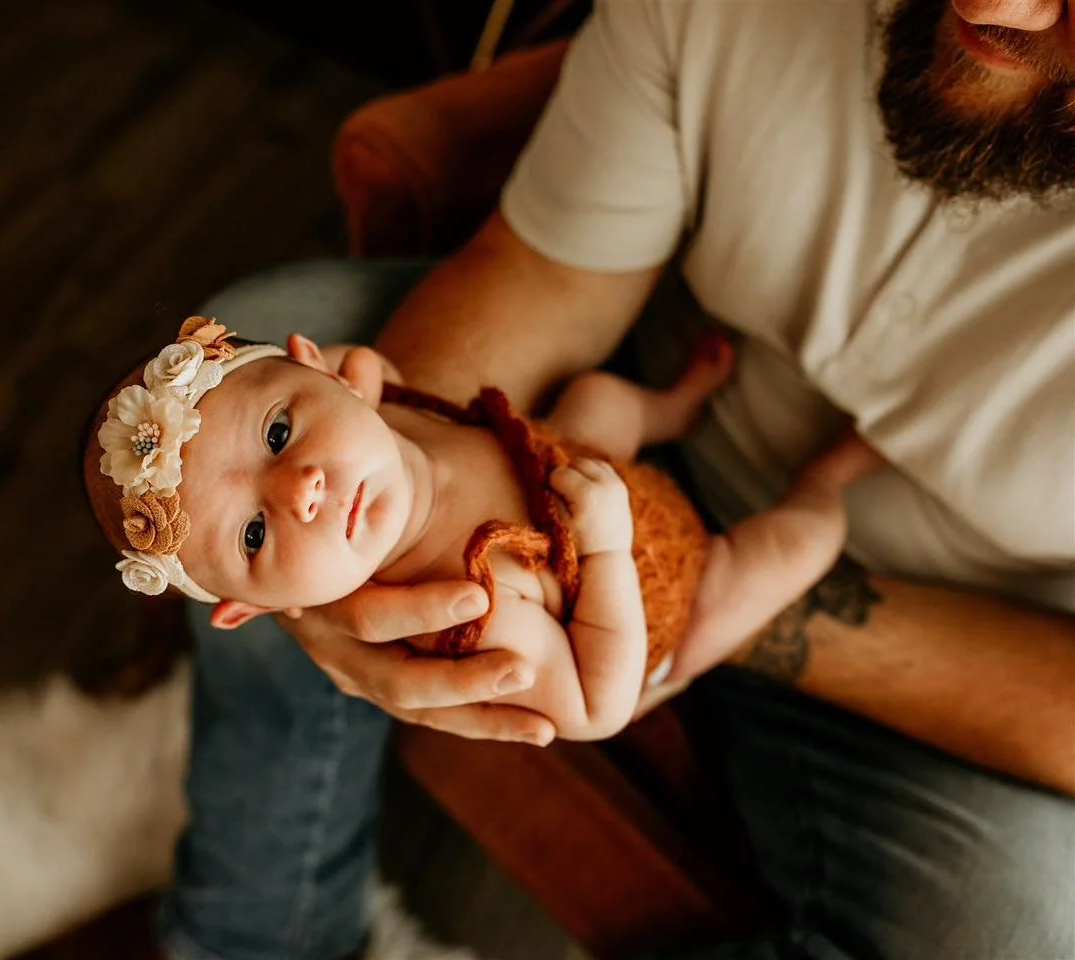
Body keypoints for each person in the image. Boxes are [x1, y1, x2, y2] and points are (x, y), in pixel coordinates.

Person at [150, 0, 1075, 957]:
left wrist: (629, 569)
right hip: (632, 409)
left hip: (949, 628)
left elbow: (599, 700)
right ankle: (254, 931)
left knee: (1019, 939)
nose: (992, 1)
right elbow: (547, 273)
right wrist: (393, 494)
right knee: (220, 435)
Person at [86, 322, 881, 741]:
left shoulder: (380, 410)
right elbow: (596, 707)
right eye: (254, 537)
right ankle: (830, 478)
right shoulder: (465, 609)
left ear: (320, 369)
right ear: (256, 610)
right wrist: (603, 547)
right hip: (655, 602)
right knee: (789, 551)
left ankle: (673, 408)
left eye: (278, 434)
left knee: (600, 398)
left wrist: (341, 379)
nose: (304, 491)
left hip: (575, 460)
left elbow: (360, 367)